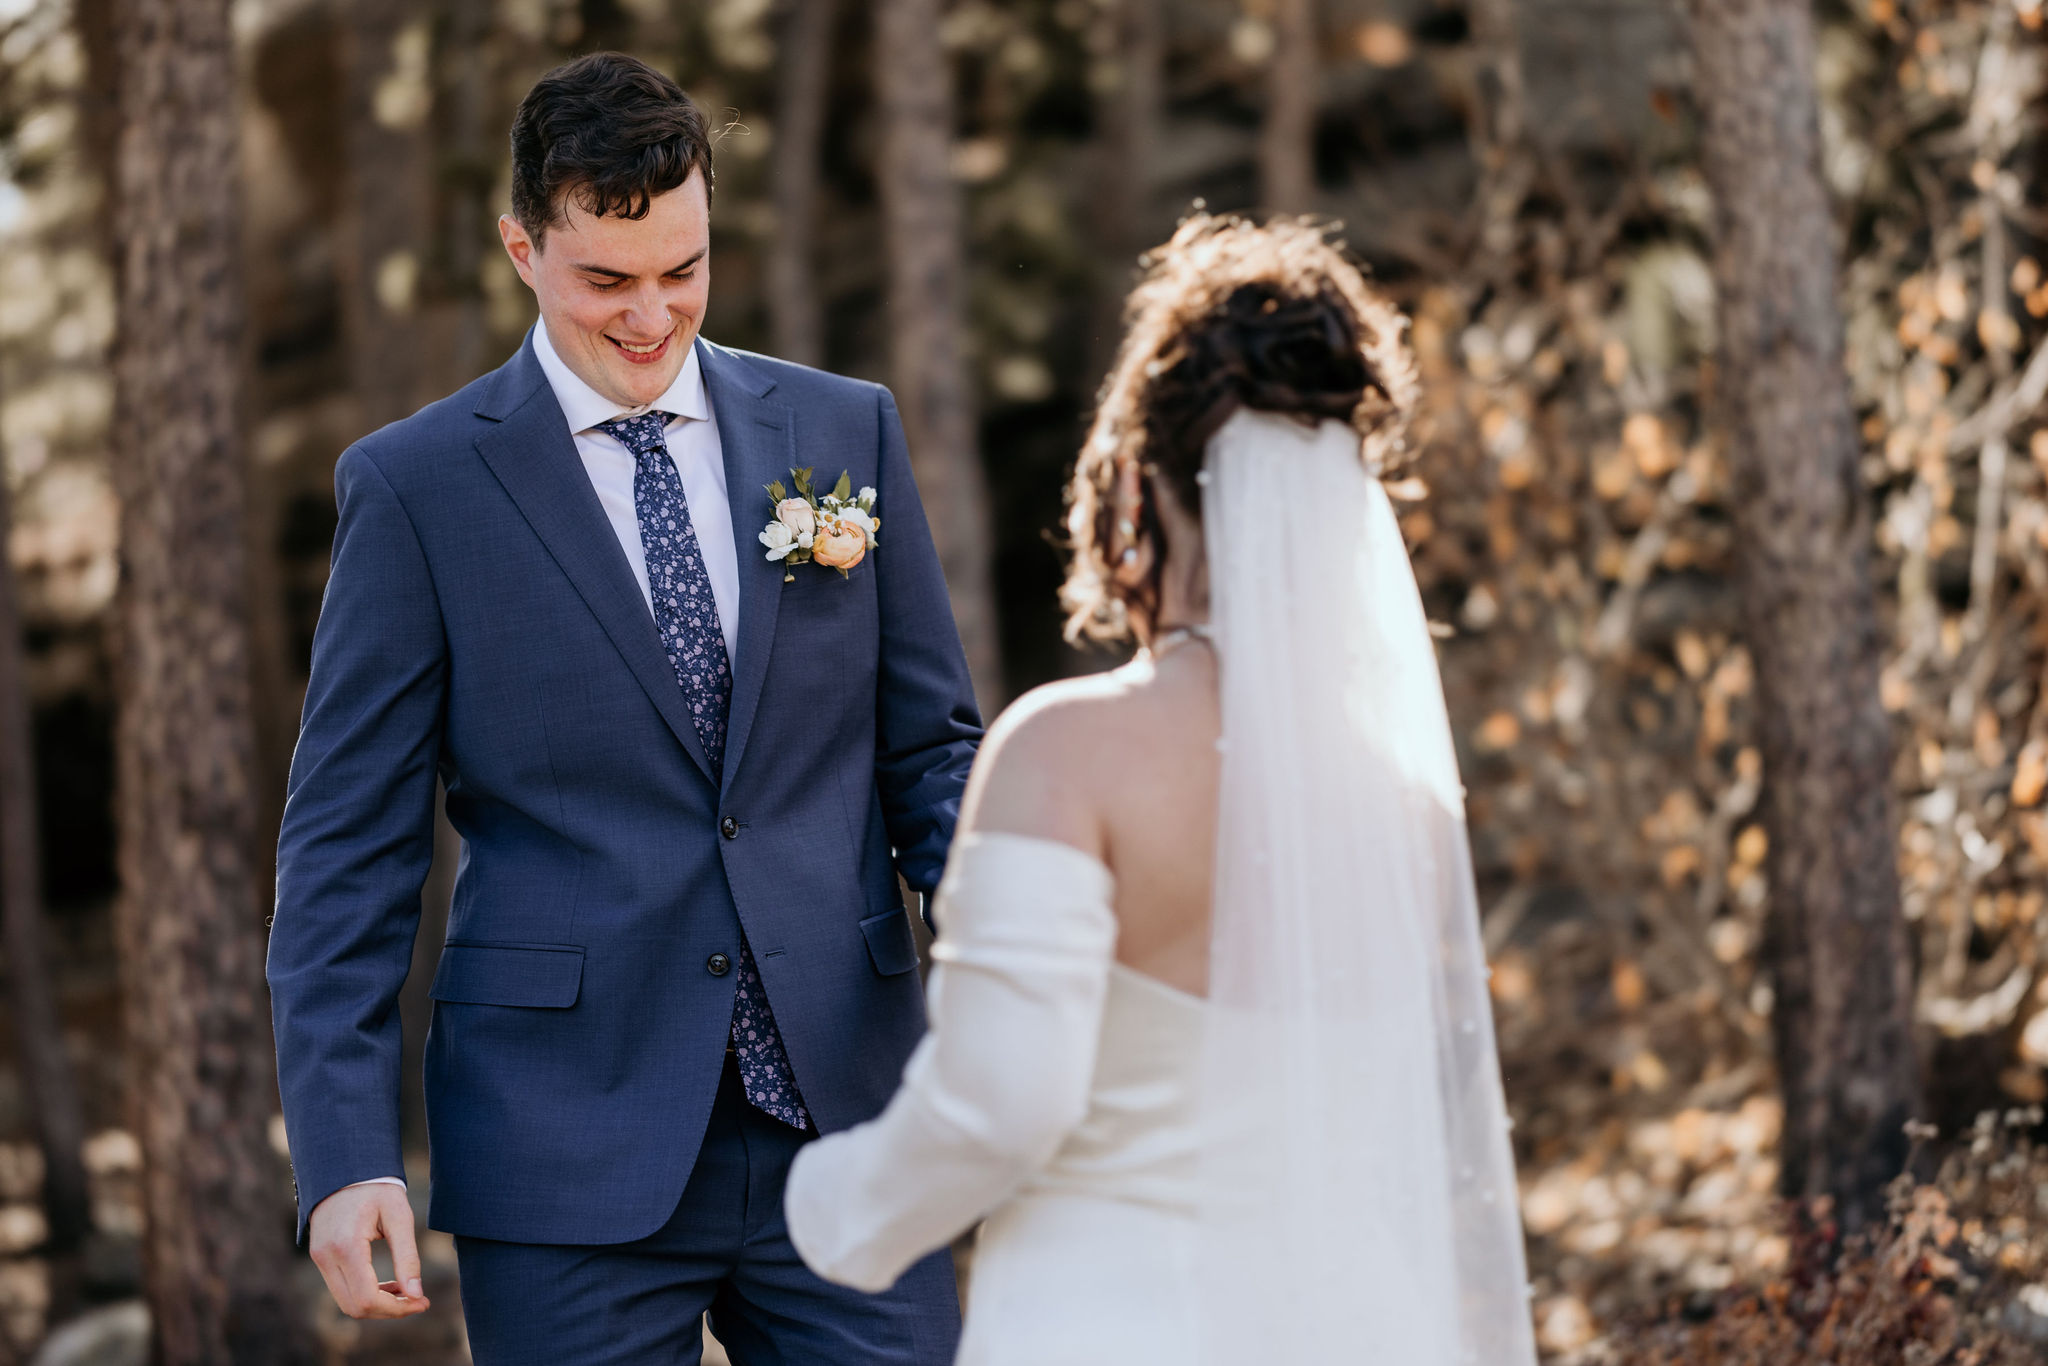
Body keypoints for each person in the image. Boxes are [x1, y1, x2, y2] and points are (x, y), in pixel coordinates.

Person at [266, 52, 976, 1365]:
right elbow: (344, 853)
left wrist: (1039, 969)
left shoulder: (844, 432)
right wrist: (345, 1148)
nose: (654, 317)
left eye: (684, 272)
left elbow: (932, 756)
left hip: (856, 1111)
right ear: (522, 249)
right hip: (563, 1142)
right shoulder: (417, 490)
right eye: (608, 280)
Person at [783, 214, 1540, 1364]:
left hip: (1110, 1319)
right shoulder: (1410, 811)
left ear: (1135, 493)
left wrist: (829, 1205)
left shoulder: (1067, 753)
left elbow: (999, 1105)